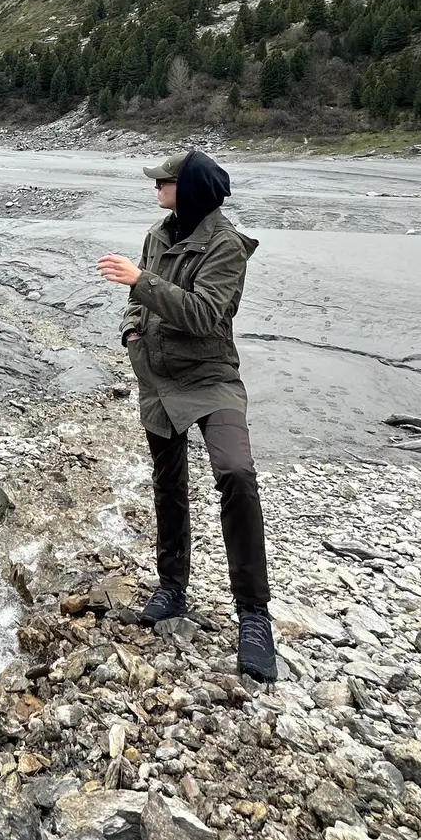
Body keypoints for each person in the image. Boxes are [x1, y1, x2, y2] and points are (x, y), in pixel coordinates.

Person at [97, 150, 277, 682]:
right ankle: (172, 587)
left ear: (191, 189)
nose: (157, 188)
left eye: (166, 181)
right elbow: (139, 301)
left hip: (210, 378)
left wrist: (138, 283)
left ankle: (254, 617)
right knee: (168, 484)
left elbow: (204, 316)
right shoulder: (158, 233)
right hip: (157, 377)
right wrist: (132, 332)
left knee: (237, 474)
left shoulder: (227, 247)